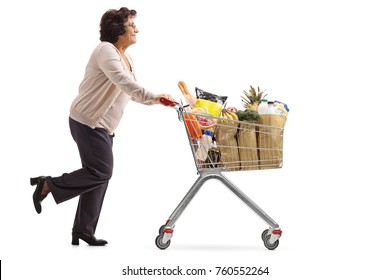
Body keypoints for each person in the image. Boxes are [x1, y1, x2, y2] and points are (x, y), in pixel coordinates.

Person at [30, 7, 173, 246]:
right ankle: (47, 185)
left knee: (98, 176)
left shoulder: (126, 57)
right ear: (118, 30)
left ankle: (83, 230)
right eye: (131, 25)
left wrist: (156, 101)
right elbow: (123, 82)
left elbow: (130, 92)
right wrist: (154, 96)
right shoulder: (106, 51)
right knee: (102, 172)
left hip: (104, 127)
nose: (136, 29)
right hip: (88, 122)